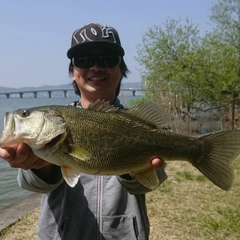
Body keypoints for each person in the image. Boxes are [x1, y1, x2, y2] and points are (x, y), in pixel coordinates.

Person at [0, 22, 167, 240]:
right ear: (72, 71)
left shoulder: (136, 123)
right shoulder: (51, 133)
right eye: (83, 60)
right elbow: (34, 185)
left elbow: (151, 181)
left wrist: (131, 163)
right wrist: (42, 166)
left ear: (121, 70)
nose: (95, 67)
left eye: (107, 59)